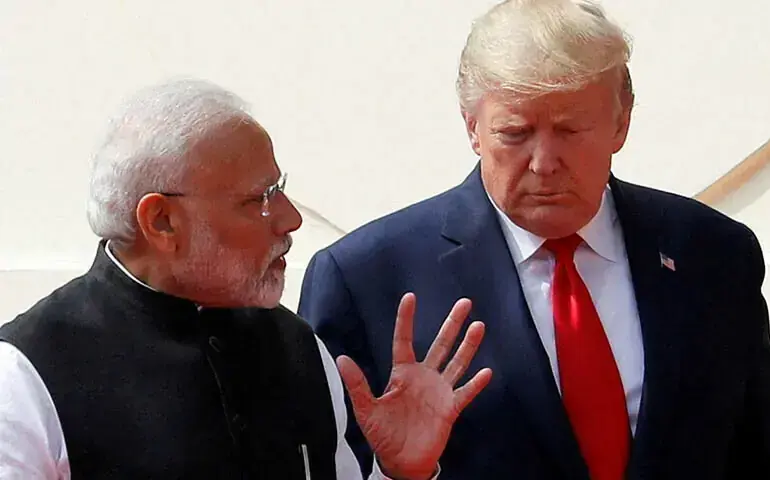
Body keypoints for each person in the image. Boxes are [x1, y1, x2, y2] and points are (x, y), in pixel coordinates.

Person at [298, 0, 770, 478]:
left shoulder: (712, 254)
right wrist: (398, 475)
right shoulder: (367, 280)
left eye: (570, 129)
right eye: (515, 133)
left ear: (620, 124)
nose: (543, 162)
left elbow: (760, 458)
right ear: (473, 127)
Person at [0, 79, 493, 479]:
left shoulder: (297, 345)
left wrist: (401, 473)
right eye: (258, 199)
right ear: (162, 222)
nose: (290, 219)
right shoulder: (25, 376)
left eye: (280, 189)